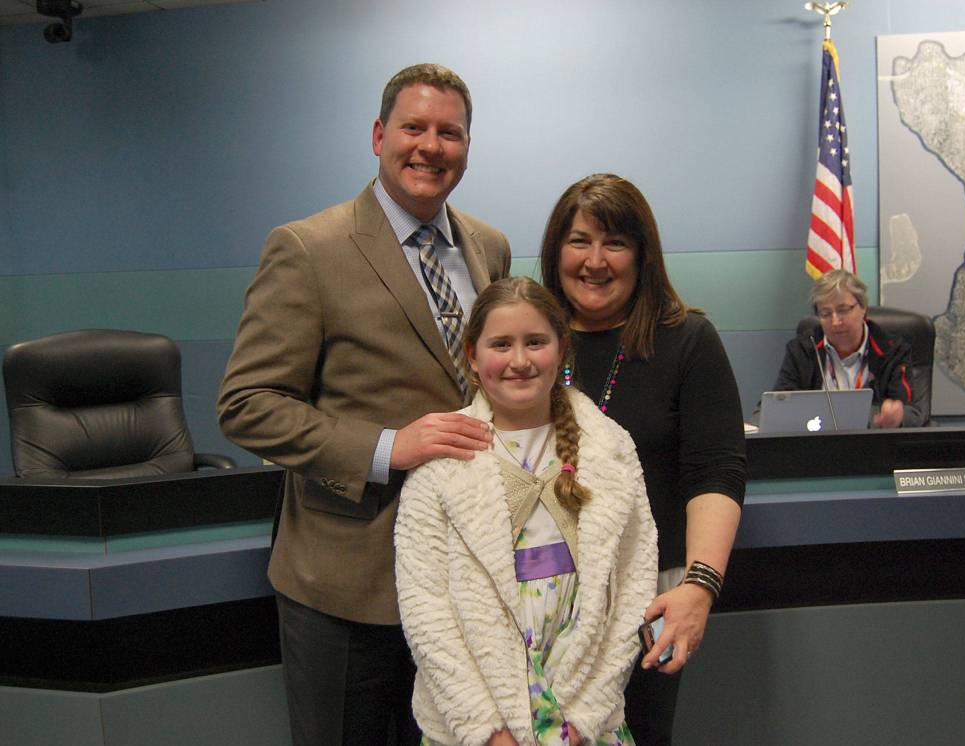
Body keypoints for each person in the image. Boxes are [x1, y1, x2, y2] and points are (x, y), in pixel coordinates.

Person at [217, 63, 510, 746]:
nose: (431, 146)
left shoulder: (489, 247)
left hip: (464, 586)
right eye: (414, 127)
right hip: (347, 585)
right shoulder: (307, 248)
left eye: (450, 133)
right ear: (379, 135)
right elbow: (246, 403)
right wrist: (386, 447)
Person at [395, 277, 658, 746]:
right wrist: (487, 730)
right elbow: (426, 610)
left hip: (585, 716)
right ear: (473, 356)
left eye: (536, 342)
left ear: (562, 350)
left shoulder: (610, 449)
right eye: (501, 344)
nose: (519, 360)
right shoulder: (441, 465)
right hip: (475, 719)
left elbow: (634, 584)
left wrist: (584, 715)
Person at [539, 174, 747, 746]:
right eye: (579, 241)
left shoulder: (688, 341)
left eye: (616, 243)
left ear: (643, 255)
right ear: (556, 250)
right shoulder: (529, 342)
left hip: (647, 597)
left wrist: (699, 587)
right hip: (538, 598)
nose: (595, 260)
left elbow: (717, 472)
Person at [766, 269, 923, 428]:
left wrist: (898, 417)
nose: (835, 322)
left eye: (843, 310)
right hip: (816, 446)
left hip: (872, 446)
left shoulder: (892, 351)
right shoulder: (802, 350)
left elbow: (913, 413)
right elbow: (778, 405)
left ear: (863, 308)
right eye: (825, 314)